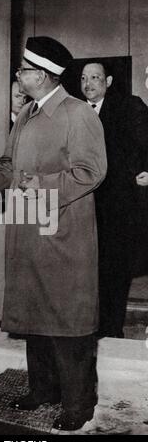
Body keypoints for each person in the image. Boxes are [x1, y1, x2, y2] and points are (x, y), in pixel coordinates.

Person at [0, 36, 107, 431]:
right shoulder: (27, 114)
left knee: (67, 322)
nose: (18, 76)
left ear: (43, 75)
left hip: (64, 237)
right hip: (28, 234)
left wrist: (40, 184)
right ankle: (43, 390)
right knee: (36, 315)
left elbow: (90, 172)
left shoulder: (78, 115)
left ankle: (78, 403)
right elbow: (7, 162)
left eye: (23, 70)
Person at [81, 61, 148, 338]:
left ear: (108, 81)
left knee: (113, 270)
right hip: (82, 205)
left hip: (116, 207)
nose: (89, 83)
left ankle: (111, 329)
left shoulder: (128, 107)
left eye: (95, 77)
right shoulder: (72, 111)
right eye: (84, 78)